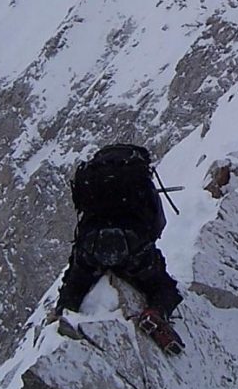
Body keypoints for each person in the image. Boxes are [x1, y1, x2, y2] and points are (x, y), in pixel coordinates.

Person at [54, 144, 183, 336]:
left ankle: (61, 316)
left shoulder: (93, 179)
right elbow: (156, 224)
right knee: (164, 287)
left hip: (92, 248)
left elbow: (81, 218)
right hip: (133, 249)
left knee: (74, 284)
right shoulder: (138, 179)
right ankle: (155, 313)